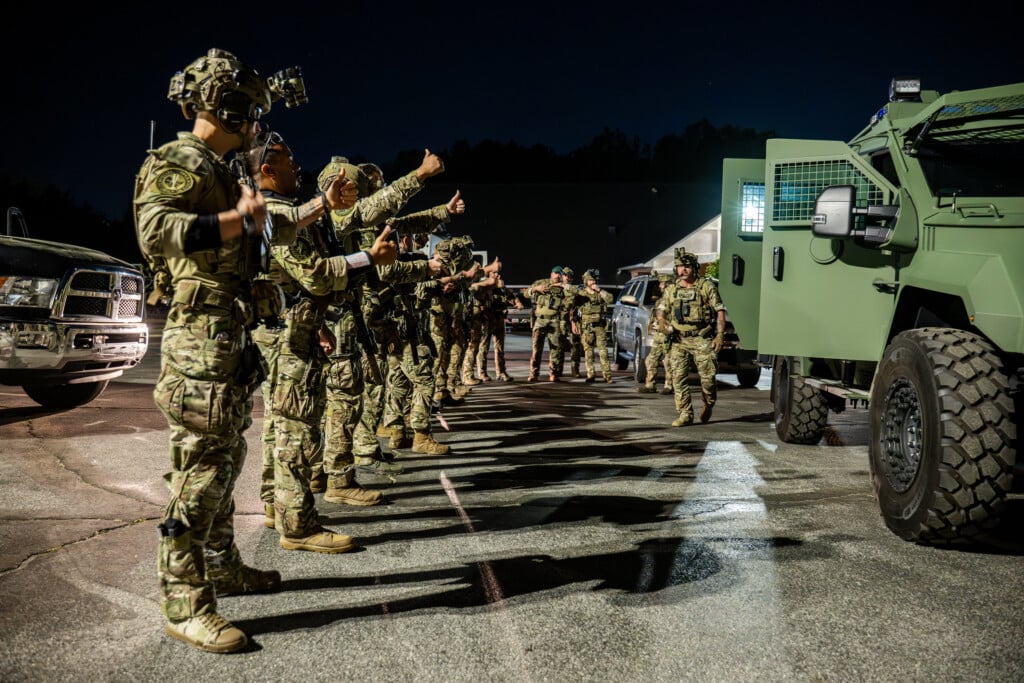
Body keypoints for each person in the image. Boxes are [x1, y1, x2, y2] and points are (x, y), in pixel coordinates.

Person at [134, 48, 314, 653]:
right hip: (199, 346)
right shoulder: (181, 159)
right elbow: (156, 228)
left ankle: (222, 565)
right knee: (200, 475)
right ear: (232, 106)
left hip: (226, 343)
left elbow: (268, 226)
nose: (258, 126)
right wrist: (232, 223)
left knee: (226, 460)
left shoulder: (221, 170)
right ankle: (184, 601)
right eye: (254, 111)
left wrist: (312, 211)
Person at [249, 131, 396, 540]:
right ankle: (298, 523)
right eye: (288, 159)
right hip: (286, 338)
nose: (297, 166)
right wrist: (369, 257)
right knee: (295, 426)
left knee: (279, 424)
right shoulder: (281, 215)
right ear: (267, 169)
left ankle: (276, 505)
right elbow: (313, 272)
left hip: (290, 328)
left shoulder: (276, 212)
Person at [655, 248, 726, 427]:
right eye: (679, 266)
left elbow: (720, 311)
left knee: (708, 379)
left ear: (694, 267)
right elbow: (661, 311)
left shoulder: (706, 286)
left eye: (686, 266)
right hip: (678, 340)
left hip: (701, 338)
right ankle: (685, 413)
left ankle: (709, 403)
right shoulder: (672, 289)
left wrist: (719, 335)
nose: (683, 270)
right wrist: (662, 323)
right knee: (678, 378)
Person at [523, 266, 566, 382]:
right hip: (540, 320)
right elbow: (526, 294)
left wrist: (563, 286)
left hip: (554, 320)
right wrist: (535, 289)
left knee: (555, 349)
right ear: (551, 273)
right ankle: (534, 373)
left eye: (559, 274)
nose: (557, 276)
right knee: (536, 348)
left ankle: (554, 373)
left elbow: (574, 294)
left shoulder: (563, 287)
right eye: (555, 273)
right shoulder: (541, 282)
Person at [574, 269, 614, 382]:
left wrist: (599, 290)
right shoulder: (582, 294)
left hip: (599, 326)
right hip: (586, 326)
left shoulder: (599, 293)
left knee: (603, 352)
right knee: (588, 352)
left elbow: (610, 299)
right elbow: (573, 307)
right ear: (586, 281)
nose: (593, 282)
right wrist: (574, 323)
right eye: (590, 280)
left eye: (594, 280)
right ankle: (590, 375)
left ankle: (607, 376)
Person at [639, 273, 675, 394]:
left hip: (667, 334)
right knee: (651, 359)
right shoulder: (660, 300)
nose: (659, 286)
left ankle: (669, 385)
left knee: (668, 361)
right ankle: (650, 384)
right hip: (658, 334)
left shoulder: (673, 299)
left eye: (662, 283)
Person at [559, 266, 583, 377]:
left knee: (575, 346)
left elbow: (576, 304)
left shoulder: (574, 289)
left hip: (573, 321)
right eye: (565, 275)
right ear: (562, 276)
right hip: (560, 321)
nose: (567, 278)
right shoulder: (557, 288)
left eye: (569, 276)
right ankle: (558, 370)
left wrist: (573, 321)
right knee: (559, 346)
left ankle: (575, 370)